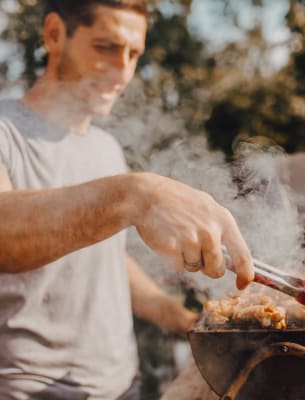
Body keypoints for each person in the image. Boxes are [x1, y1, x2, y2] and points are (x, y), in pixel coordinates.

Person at [0, 0, 254, 399]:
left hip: (123, 387)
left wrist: (185, 318)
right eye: (106, 47)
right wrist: (136, 193)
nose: (123, 71)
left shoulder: (106, 148)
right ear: (54, 34)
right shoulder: (5, 130)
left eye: (133, 53)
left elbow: (107, 258)